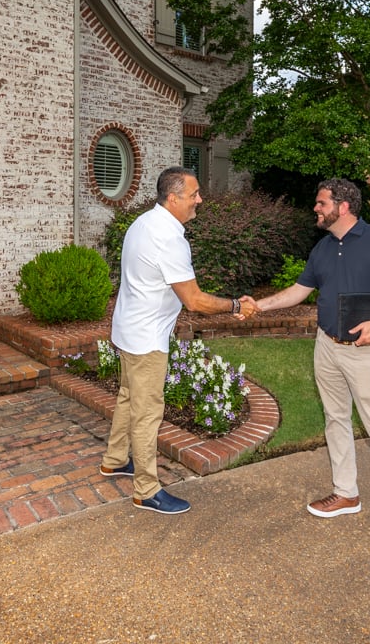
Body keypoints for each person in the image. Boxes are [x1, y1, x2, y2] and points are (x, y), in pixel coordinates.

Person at [255, 178, 370, 550]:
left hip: (365, 351)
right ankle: (346, 493)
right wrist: (258, 305)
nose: (315, 209)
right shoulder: (322, 248)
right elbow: (299, 291)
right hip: (326, 346)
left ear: (343, 206)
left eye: (321, 203)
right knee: (335, 420)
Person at [100, 166, 258, 515]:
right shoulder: (169, 238)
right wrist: (234, 305)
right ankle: (146, 490)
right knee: (147, 413)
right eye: (193, 194)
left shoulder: (143, 223)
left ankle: (113, 459)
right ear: (173, 198)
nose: (199, 199)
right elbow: (195, 300)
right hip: (146, 339)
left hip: (128, 330)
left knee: (129, 398)